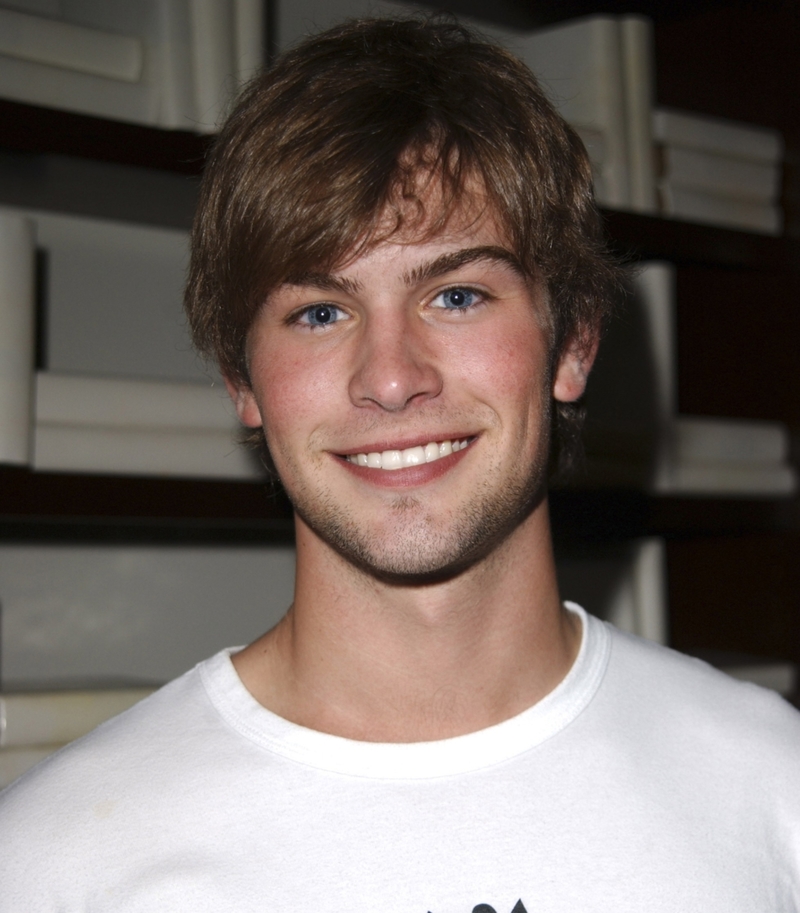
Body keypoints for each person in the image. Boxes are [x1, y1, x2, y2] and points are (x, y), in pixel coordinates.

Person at [1, 16, 798, 913]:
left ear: (572, 343)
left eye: (456, 295)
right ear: (242, 378)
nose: (390, 377)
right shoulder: (50, 863)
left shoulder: (775, 792)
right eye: (318, 312)